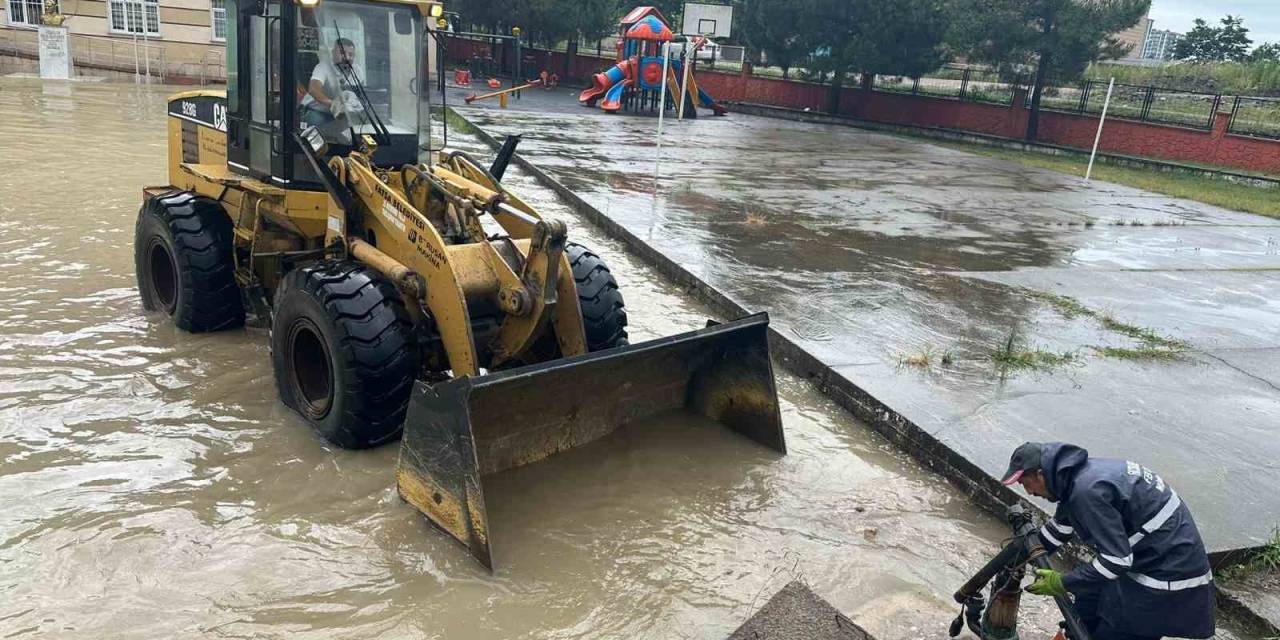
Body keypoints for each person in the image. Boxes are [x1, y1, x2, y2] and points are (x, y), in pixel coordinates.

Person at [1001, 442, 1215, 640]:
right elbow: (1058, 531)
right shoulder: (1074, 478)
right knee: (1086, 602)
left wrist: (1062, 583)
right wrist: (1015, 560)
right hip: (1148, 559)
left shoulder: (1087, 491)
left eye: (1025, 483)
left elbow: (1117, 561)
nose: (1029, 492)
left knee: (1114, 630)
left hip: (1167, 578)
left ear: (1040, 474)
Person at [300, 38, 358, 126]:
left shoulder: (357, 71)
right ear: (333, 53)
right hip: (316, 109)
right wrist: (333, 103)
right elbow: (313, 89)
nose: (346, 57)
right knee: (319, 125)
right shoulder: (323, 67)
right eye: (342, 53)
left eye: (351, 54)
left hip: (343, 113)